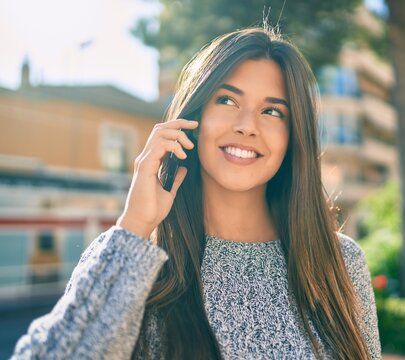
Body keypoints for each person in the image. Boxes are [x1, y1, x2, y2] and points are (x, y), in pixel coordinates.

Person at [11, 26, 381, 360]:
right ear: (193, 116)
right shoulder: (134, 255)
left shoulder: (340, 263)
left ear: (292, 136)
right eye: (227, 100)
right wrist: (135, 226)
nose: (246, 126)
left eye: (272, 111)